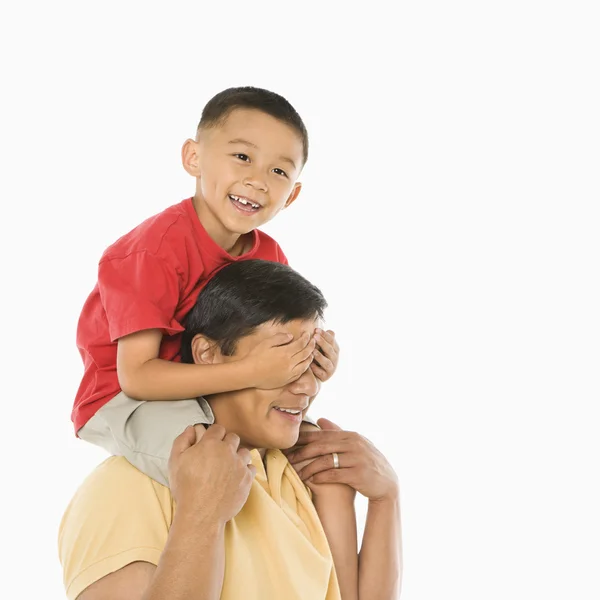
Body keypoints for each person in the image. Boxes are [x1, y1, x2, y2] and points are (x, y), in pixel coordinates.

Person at [59, 260, 402, 600]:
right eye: (283, 365)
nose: (308, 388)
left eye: (312, 363)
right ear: (208, 354)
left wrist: (386, 497)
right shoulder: (129, 487)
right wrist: (201, 516)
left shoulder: (293, 476)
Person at [72, 86, 339, 485]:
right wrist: (253, 370)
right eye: (243, 157)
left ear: (293, 194)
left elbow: (268, 351)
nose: (258, 180)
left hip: (212, 386)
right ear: (194, 158)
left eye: (279, 171)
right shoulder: (153, 253)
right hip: (127, 397)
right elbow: (138, 376)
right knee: (210, 462)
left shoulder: (269, 256)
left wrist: (312, 361)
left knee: (320, 454)